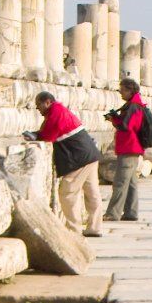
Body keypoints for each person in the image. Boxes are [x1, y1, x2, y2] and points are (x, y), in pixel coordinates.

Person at [29, 90, 103, 237]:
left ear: (47, 102)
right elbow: (49, 130)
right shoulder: (59, 111)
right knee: (92, 192)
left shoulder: (56, 112)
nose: (38, 109)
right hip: (90, 154)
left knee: (67, 192)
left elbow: (49, 135)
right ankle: (95, 227)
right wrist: (36, 134)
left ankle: (73, 229)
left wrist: (35, 136)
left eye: (39, 105)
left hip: (80, 158)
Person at [103, 77, 149, 222]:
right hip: (132, 148)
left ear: (130, 91)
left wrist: (114, 119)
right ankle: (131, 212)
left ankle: (113, 214)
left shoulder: (134, 106)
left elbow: (126, 126)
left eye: (122, 90)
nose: (121, 93)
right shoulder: (133, 105)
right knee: (130, 183)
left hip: (129, 148)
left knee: (120, 182)